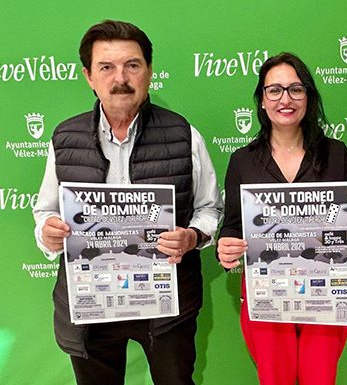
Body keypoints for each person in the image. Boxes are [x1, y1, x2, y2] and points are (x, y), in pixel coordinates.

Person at [32, 20, 223, 385]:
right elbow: (45, 212)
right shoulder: (64, 138)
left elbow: (209, 209)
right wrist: (48, 232)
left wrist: (193, 236)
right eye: (106, 67)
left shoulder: (184, 134)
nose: (120, 78)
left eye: (132, 65)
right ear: (89, 76)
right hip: (90, 305)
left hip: (167, 305)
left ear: (149, 71)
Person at [217, 52, 347, 385]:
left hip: (324, 289)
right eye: (274, 90)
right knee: (274, 378)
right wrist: (226, 248)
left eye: (295, 89)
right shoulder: (242, 160)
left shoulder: (336, 153)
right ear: (262, 100)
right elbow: (232, 226)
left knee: (320, 378)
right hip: (267, 289)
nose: (285, 99)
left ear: (309, 96)